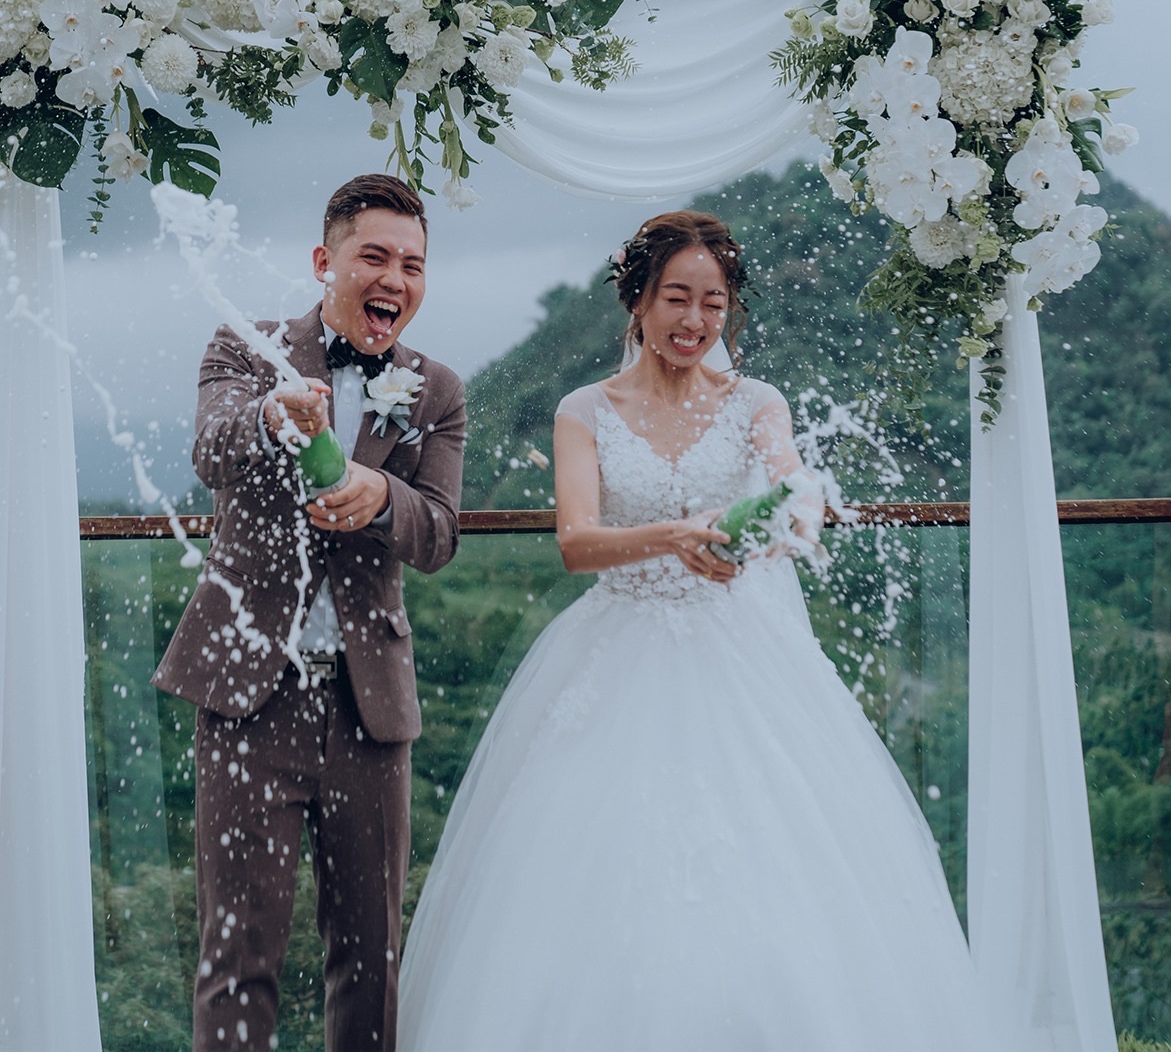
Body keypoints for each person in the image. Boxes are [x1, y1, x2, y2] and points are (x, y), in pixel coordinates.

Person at [397, 210, 993, 1050]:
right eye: (677, 298)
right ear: (637, 301)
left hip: (741, 651)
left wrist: (784, 524)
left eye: (714, 303)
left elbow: (796, 491)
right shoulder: (584, 409)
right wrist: (674, 537)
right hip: (617, 653)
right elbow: (577, 542)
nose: (695, 320)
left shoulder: (757, 403)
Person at [153, 173, 468, 1052]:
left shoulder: (437, 389)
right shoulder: (245, 346)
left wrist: (381, 496)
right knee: (237, 951)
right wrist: (269, 414)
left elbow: (440, 534)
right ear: (325, 261)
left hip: (371, 709)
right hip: (249, 697)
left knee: (370, 957)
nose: (395, 279)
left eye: (413, 265)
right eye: (375, 257)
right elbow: (211, 450)